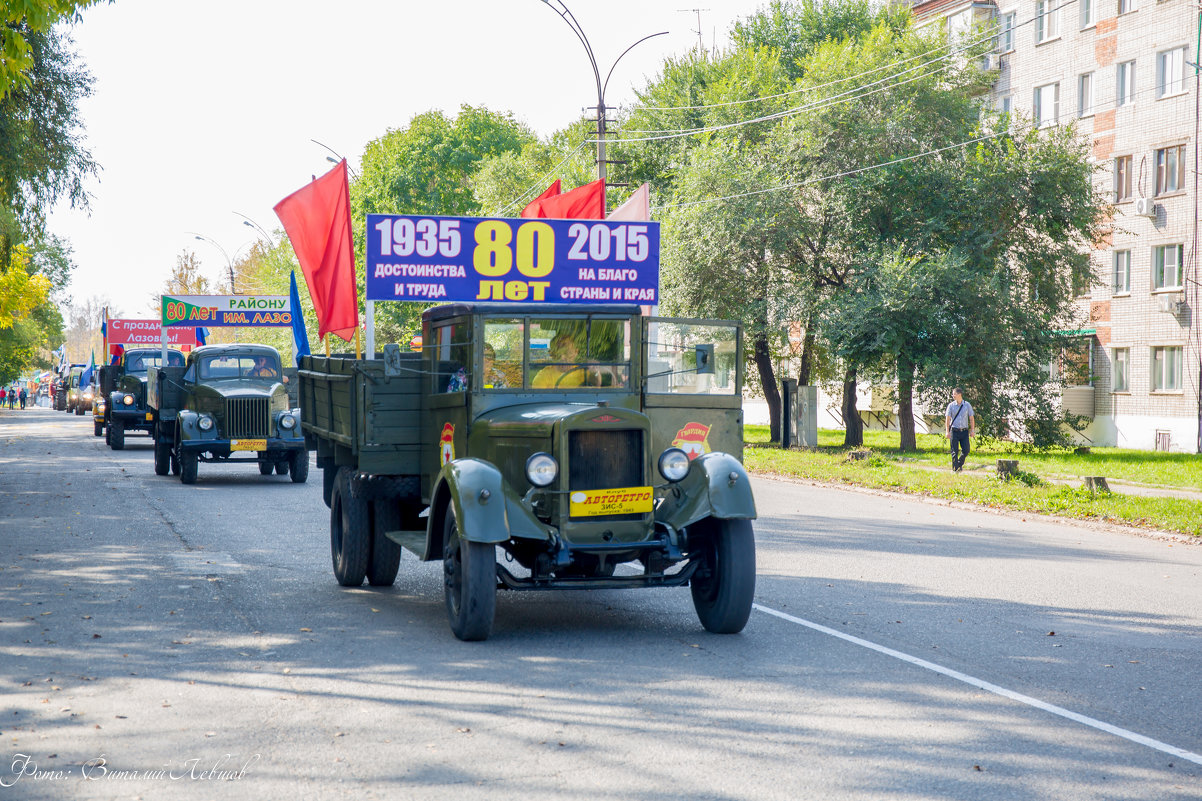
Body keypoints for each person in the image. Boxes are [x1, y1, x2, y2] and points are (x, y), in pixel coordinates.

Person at [944, 387, 975, 473]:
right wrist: (947, 431)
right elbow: (947, 419)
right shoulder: (951, 406)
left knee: (966, 449)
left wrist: (972, 430)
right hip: (954, 430)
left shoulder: (967, 405)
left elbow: (971, 418)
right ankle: (955, 469)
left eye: (954, 394)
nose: (953, 396)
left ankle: (959, 463)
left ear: (959, 394)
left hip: (964, 431)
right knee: (954, 451)